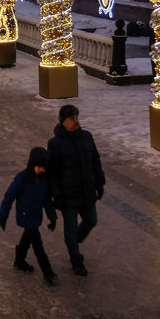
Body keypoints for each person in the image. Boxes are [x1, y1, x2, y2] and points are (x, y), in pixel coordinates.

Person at [47, 104, 105, 276]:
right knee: (70, 229)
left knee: (91, 220)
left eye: (77, 117)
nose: (76, 121)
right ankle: (76, 260)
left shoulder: (86, 137)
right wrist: (56, 195)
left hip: (87, 191)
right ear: (63, 122)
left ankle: (73, 241)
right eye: (72, 118)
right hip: (68, 195)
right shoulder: (55, 144)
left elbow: (95, 160)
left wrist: (99, 183)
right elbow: (52, 172)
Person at [0, 147, 58, 285]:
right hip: (25, 215)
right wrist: (4, 214)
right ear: (32, 164)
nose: (41, 170)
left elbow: (47, 201)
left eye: (43, 168)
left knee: (27, 238)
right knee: (38, 244)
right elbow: (9, 196)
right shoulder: (22, 178)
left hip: (36, 215)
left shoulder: (43, 180)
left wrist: (52, 217)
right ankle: (47, 271)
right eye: (39, 167)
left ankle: (19, 261)